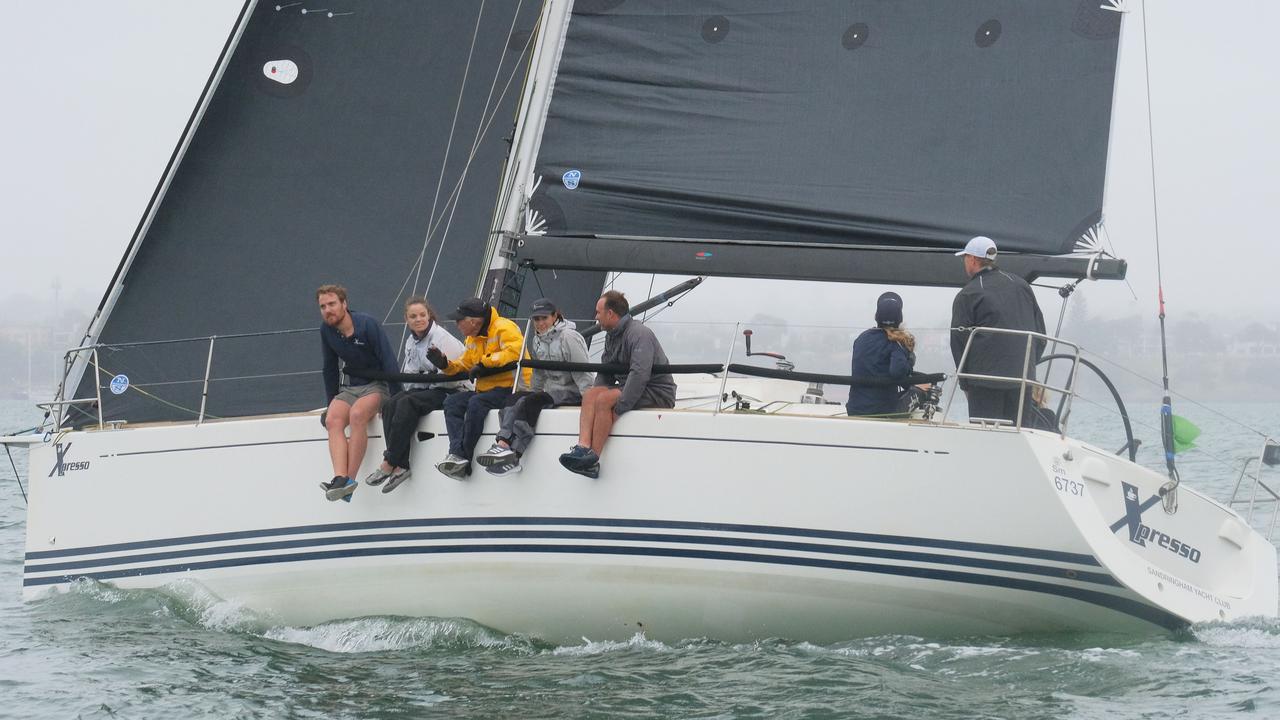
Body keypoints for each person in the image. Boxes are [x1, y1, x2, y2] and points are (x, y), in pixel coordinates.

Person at [559, 290, 676, 479]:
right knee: (591, 394)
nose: (596, 317)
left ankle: (592, 458)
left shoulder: (639, 334)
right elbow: (606, 372)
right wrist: (596, 395)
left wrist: (620, 407)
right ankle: (582, 447)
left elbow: (639, 375)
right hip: (632, 386)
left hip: (657, 391)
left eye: (598, 312)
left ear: (610, 314)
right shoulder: (611, 335)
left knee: (605, 399)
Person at [476, 298, 594, 476]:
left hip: (572, 391)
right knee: (514, 398)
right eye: (536, 319)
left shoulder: (569, 337)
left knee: (532, 402)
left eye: (544, 318)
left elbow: (582, 371)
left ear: (555, 316)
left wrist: (588, 400)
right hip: (552, 390)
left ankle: (514, 454)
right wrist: (531, 392)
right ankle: (502, 444)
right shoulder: (537, 340)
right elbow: (538, 373)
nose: (540, 323)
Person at [362, 296, 467, 493]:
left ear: (429, 316)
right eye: (413, 316)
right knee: (391, 404)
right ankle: (402, 466)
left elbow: (455, 375)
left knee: (407, 404)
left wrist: (430, 373)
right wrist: (424, 376)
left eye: (422, 315)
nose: (418, 319)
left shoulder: (442, 338)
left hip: (450, 390)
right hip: (426, 388)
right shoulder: (411, 341)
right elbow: (409, 375)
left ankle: (390, 461)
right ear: (406, 320)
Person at [317, 284, 402, 502]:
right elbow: (329, 367)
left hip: (378, 385)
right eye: (323, 306)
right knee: (333, 420)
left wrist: (397, 398)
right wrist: (331, 402)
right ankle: (338, 477)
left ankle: (349, 482)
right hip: (352, 387)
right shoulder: (326, 330)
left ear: (344, 304)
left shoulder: (367, 324)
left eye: (332, 304)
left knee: (357, 415)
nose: (328, 310)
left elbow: (388, 360)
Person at [949, 236, 1047, 425]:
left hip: (983, 383)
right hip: (1022, 380)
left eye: (965, 258)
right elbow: (1040, 334)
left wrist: (965, 383)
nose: (964, 262)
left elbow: (958, 342)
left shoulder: (968, 294)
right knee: (1017, 437)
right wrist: (1028, 367)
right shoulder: (1021, 285)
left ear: (973, 259)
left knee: (987, 441)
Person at [432, 298, 531, 479]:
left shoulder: (504, 327)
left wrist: (485, 363)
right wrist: (445, 364)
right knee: (452, 402)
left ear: (474, 321)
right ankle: (455, 453)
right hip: (488, 390)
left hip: (511, 387)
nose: (457, 324)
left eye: (459, 320)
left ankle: (463, 457)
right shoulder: (472, 337)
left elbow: (514, 351)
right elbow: (465, 363)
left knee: (476, 403)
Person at [846, 292, 918, 417]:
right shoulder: (895, 342)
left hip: (855, 409)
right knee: (922, 390)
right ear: (900, 319)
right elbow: (898, 372)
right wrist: (909, 362)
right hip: (883, 411)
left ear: (876, 317)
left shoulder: (861, 338)